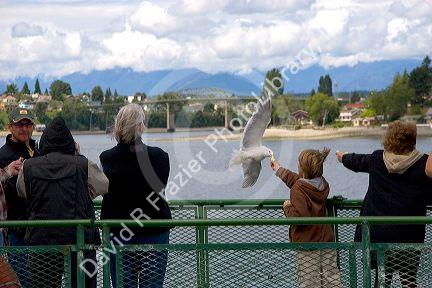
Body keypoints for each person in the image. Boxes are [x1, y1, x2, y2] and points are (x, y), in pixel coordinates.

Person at [336, 121, 432, 288]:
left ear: (389, 139)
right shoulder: (423, 163)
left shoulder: (377, 159)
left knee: (382, 280)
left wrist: (342, 157)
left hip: (378, 235)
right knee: (409, 281)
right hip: (409, 236)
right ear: (412, 140)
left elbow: (356, 161)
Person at [16, 117, 109, 288]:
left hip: (41, 240)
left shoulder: (28, 166)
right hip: (79, 240)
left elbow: (22, 191)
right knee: (82, 284)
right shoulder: (82, 163)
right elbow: (103, 186)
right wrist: (78, 157)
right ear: (70, 142)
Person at [100, 104, 171, 288]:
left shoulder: (107, 158)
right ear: (141, 126)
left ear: (118, 126)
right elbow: (160, 187)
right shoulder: (160, 156)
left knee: (123, 284)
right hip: (154, 230)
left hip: (119, 233)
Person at [271, 147, 341, 288]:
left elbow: (300, 217)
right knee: (331, 279)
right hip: (326, 240)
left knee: (309, 283)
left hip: (308, 244)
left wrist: (287, 207)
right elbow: (300, 181)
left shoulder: (298, 189)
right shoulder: (322, 184)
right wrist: (279, 169)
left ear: (302, 169)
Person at [0, 107, 38, 287]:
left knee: (42, 278)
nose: (25, 129)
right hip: (16, 228)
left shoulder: (38, 151)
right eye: (20, 125)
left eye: (28, 124)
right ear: (10, 127)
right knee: (21, 280)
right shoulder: (3, 155)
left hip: (39, 229)